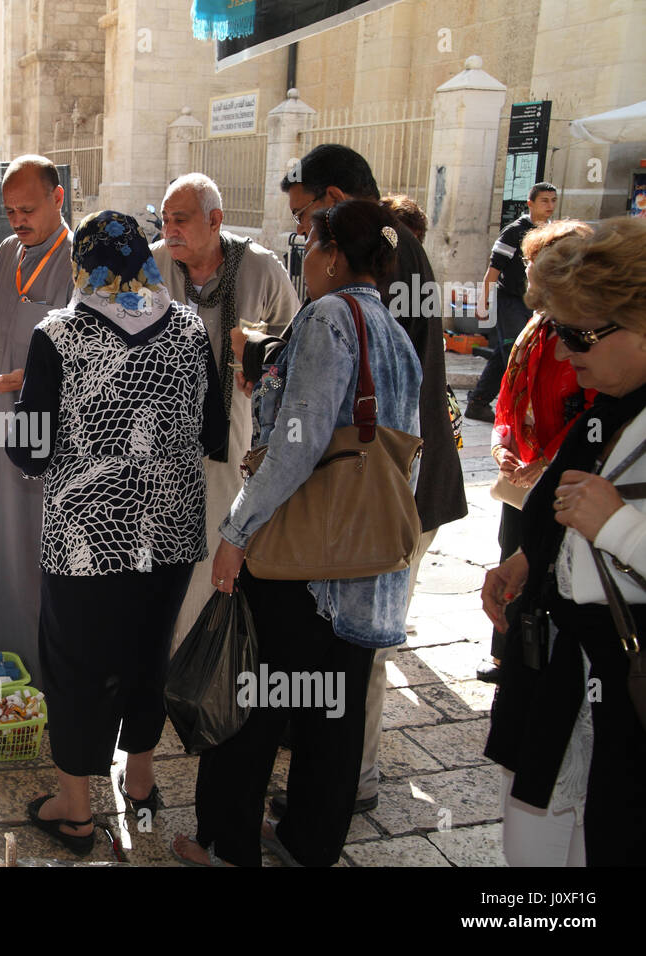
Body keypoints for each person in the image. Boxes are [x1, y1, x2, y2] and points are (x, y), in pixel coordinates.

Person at [173, 200, 421, 867]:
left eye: (308, 245)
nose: (302, 258)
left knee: (253, 703)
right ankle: (308, 845)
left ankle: (228, 846)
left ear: (333, 254)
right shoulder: (393, 332)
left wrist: (237, 530)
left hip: (305, 567)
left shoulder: (329, 317)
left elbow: (297, 441)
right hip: (365, 566)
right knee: (333, 720)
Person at [253, 143, 467, 818]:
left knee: (359, 651)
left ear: (336, 201)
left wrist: (269, 357)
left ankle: (351, 783)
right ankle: (332, 787)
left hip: (375, 494)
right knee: (347, 652)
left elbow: (357, 379)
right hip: (379, 487)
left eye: (306, 218)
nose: (300, 236)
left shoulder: (380, 259)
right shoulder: (386, 248)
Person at [9, 211, 226, 857]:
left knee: (76, 667)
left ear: (84, 266)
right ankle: (139, 780)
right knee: (146, 653)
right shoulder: (188, 330)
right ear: (144, 261)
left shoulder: (58, 336)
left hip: (85, 538)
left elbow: (31, 454)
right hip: (169, 534)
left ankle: (75, 810)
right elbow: (214, 435)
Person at [483, 216, 646, 867]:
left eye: (579, 333)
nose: (565, 350)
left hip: (624, 685)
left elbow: (610, 521)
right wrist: (531, 558)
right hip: (568, 668)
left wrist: (620, 529)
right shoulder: (611, 396)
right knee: (540, 837)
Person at [151, 172, 298, 645]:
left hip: (234, 437)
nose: (169, 229)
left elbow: (294, 347)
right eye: (164, 219)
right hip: (160, 440)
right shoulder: (151, 266)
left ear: (215, 220)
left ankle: (210, 655)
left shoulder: (260, 267)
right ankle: (166, 659)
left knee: (220, 538)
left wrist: (261, 365)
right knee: (164, 553)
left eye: (180, 219)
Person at [477, 219, 596, 685]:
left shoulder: (581, 332)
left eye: (536, 266)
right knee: (513, 552)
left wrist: (547, 459)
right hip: (524, 471)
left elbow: (588, 412)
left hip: (557, 471)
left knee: (545, 560)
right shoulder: (535, 326)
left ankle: (536, 658)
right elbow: (511, 393)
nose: (527, 274)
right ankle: (508, 652)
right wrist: (501, 442)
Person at [0, 155, 74, 685]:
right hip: (6, 427)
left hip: (52, 438)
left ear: (58, 199)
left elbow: (77, 355)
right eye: (10, 210)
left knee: (45, 554)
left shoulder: (76, 262)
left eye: (28, 209)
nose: (17, 220)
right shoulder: (8, 253)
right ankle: (11, 660)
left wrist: (28, 382)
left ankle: (49, 670)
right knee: (9, 552)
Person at [465, 182, 559, 422]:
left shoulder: (552, 232)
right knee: (517, 355)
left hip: (535, 304)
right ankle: (516, 413)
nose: (550, 206)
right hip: (510, 302)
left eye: (553, 200)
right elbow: (493, 270)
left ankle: (478, 402)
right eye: (544, 200)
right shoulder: (514, 232)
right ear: (530, 204)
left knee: (506, 353)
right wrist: (482, 302)